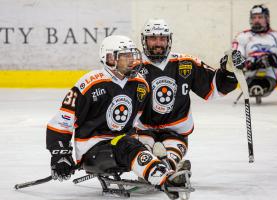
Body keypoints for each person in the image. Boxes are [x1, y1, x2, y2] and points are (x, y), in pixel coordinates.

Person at [46, 35, 188, 198]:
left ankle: (162, 165)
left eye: (132, 55)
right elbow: (61, 121)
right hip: (93, 150)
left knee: (142, 139)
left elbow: (135, 123)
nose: (132, 60)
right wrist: (60, 155)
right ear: (110, 58)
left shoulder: (140, 85)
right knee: (126, 143)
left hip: (119, 144)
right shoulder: (90, 83)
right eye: (125, 56)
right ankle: (165, 178)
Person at [132, 18, 242, 172]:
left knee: (169, 158)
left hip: (175, 131)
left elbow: (214, 88)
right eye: (153, 38)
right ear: (144, 40)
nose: (158, 43)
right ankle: (158, 167)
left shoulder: (186, 63)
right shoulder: (132, 67)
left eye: (162, 38)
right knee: (143, 153)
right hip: (142, 129)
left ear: (169, 40)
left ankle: (166, 168)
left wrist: (229, 72)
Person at [232, 4, 277, 102]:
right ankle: (253, 86)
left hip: (271, 76)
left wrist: (276, 60)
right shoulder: (242, 36)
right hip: (249, 75)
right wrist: (248, 64)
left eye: (260, 17)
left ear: (267, 19)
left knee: (270, 64)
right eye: (254, 17)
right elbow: (236, 60)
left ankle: (261, 86)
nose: (256, 20)